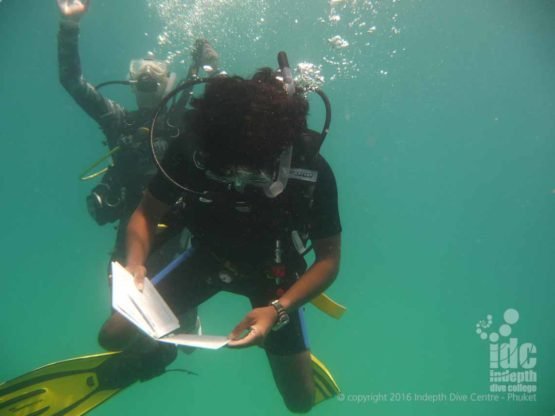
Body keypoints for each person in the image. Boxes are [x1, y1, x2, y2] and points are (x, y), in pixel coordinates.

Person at [98, 64, 342, 412]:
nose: (238, 180)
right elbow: (146, 214)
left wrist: (278, 309)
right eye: (225, 170)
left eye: (250, 173)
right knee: (112, 337)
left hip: (275, 275)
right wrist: (136, 263)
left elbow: (329, 260)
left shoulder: (311, 168)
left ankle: (284, 341)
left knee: (300, 403)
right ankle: (159, 353)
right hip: (208, 258)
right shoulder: (195, 149)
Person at [57, 0, 218, 282]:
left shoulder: (181, 118)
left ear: (167, 83)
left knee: (177, 296)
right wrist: (70, 25)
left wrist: (212, 71)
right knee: (126, 301)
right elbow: (73, 82)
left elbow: (221, 110)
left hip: (179, 225)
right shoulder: (118, 120)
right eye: (140, 82)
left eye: (152, 81)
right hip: (132, 224)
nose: (145, 86)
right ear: (132, 86)